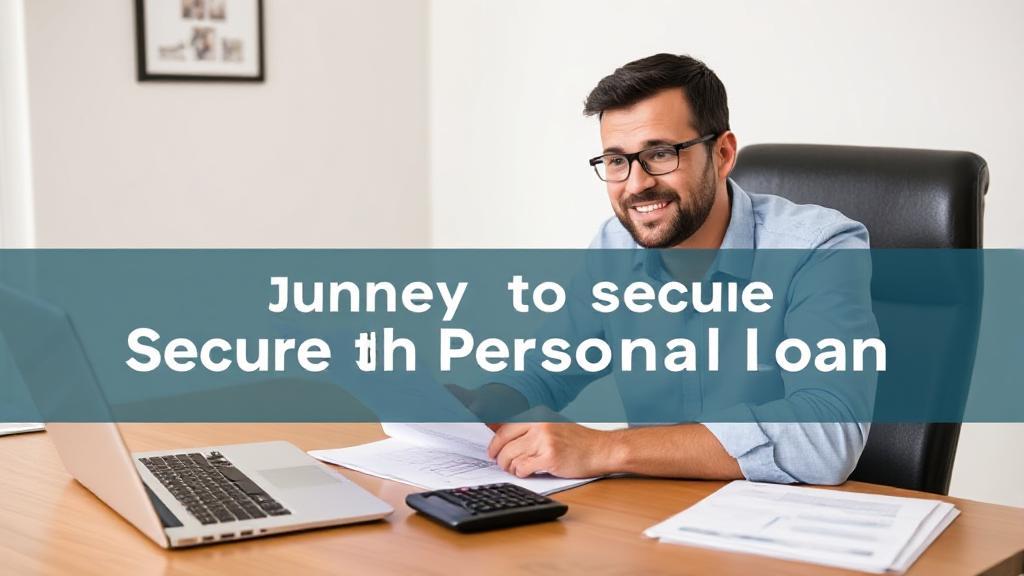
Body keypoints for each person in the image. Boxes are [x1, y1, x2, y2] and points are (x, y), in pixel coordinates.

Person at [450, 53, 876, 485]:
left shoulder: (818, 248)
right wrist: (478, 407)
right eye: (617, 161)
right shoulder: (614, 248)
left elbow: (828, 436)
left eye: (660, 153)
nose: (636, 184)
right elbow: (544, 371)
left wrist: (604, 449)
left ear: (723, 153)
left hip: (790, 515)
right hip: (653, 513)